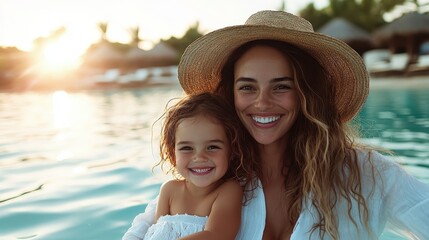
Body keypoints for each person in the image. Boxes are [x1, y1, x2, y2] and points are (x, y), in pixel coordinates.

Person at [123, 10, 429, 240]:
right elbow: (145, 228)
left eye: (281, 86)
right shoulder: (214, 170)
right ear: (229, 93)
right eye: (247, 87)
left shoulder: (366, 174)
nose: (262, 103)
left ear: (307, 93)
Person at [130, 93, 255, 240]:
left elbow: (217, 235)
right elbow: (155, 233)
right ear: (172, 153)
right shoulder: (169, 190)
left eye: (212, 147)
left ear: (232, 151)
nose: (199, 157)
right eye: (187, 148)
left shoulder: (228, 191)